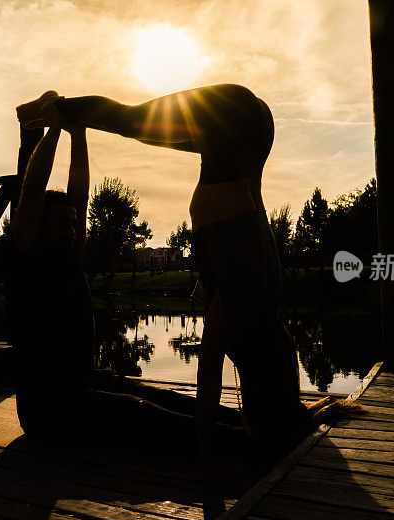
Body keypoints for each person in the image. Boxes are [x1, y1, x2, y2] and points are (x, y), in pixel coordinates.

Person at [17, 85, 309, 462]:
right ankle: (245, 438)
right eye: (63, 223)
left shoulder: (68, 252)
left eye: (74, 222)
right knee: (141, 413)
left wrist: (76, 132)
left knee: (157, 398)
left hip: (79, 385)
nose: (73, 227)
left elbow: (79, 192)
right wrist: (59, 127)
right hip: (49, 409)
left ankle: (244, 428)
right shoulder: (31, 250)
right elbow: (32, 194)